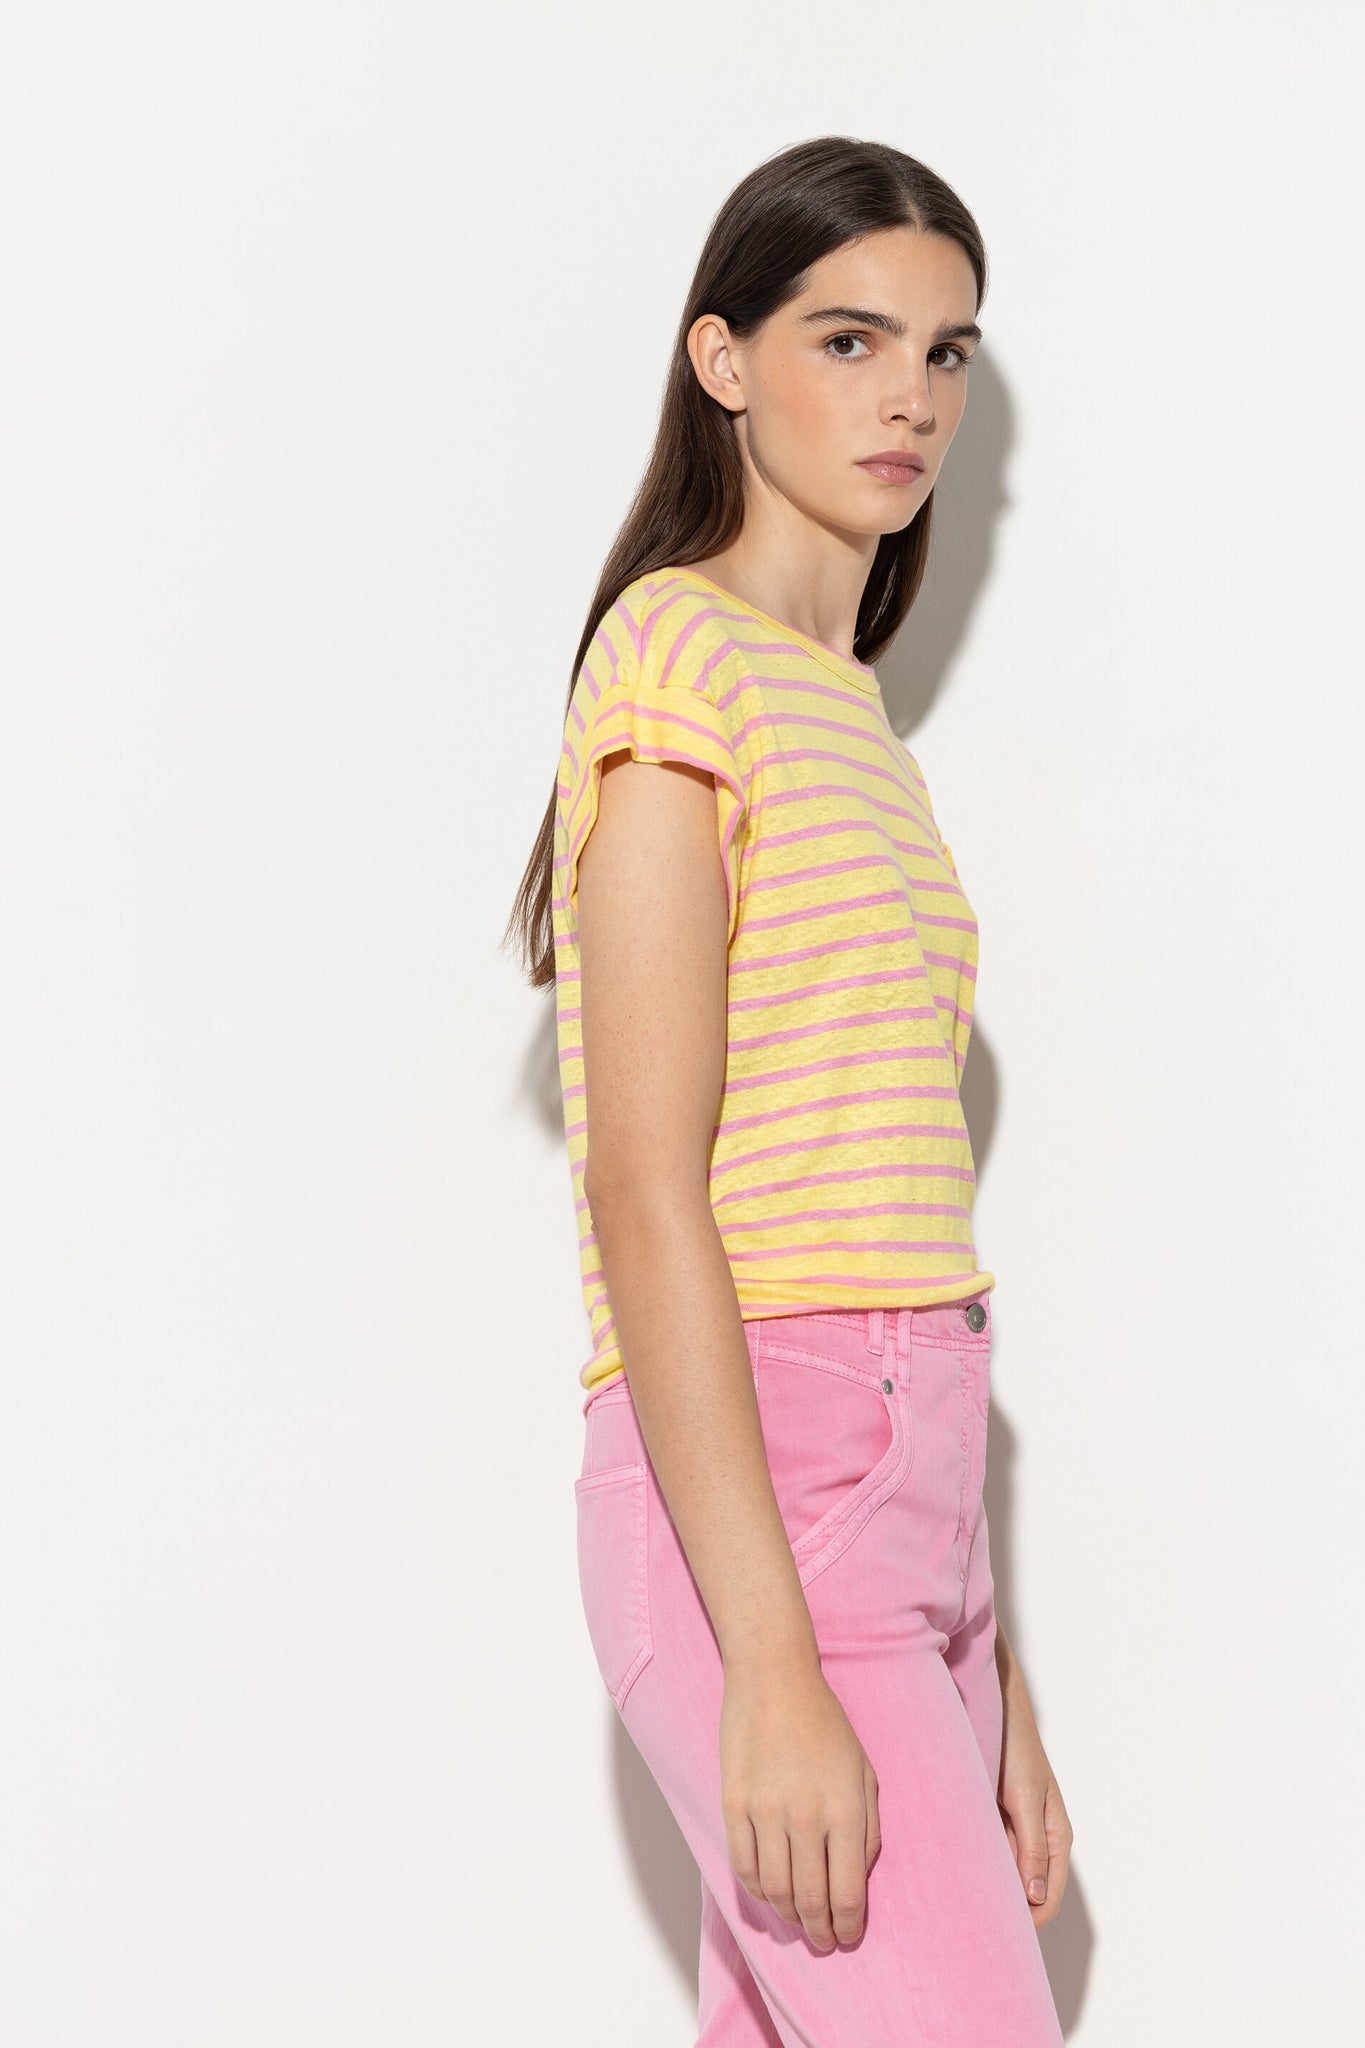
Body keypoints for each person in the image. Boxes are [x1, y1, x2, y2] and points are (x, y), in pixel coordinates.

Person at [503, 135, 1073, 2046]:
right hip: (763, 1502)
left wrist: (996, 1675)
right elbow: (644, 1186)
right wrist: (765, 1655)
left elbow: (892, 1203)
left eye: (944, 351)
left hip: (907, 1507)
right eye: (849, 339)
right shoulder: (676, 658)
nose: (909, 397)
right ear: (722, 360)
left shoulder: (854, 719)